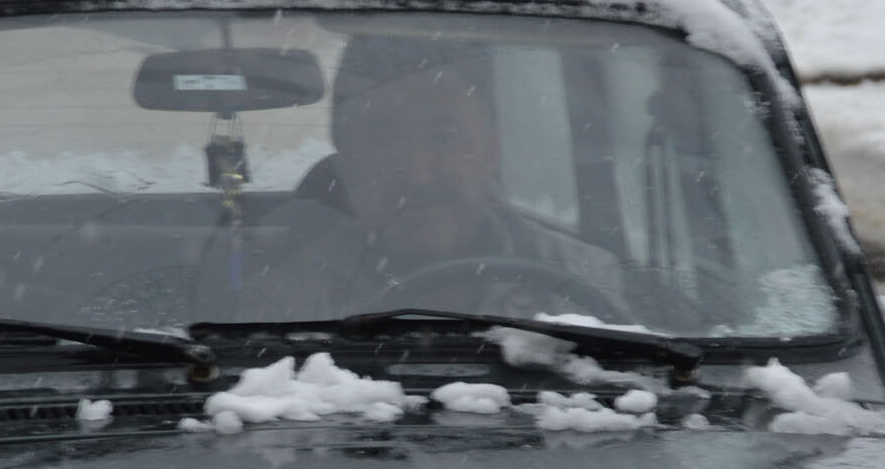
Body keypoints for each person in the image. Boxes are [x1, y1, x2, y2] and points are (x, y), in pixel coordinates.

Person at [200, 36, 627, 322]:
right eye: (384, 139)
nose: (418, 173)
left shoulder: (580, 279)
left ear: (491, 152)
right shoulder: (285, 302)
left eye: (444, 136)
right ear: (346, 164)